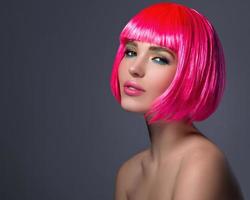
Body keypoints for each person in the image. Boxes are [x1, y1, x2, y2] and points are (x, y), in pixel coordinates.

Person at [110, 2, 244, 200]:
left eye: (159, 59)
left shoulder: (202, 161)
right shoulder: (128, 174)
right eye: (131, 52)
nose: (134, 68)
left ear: (191, 73)